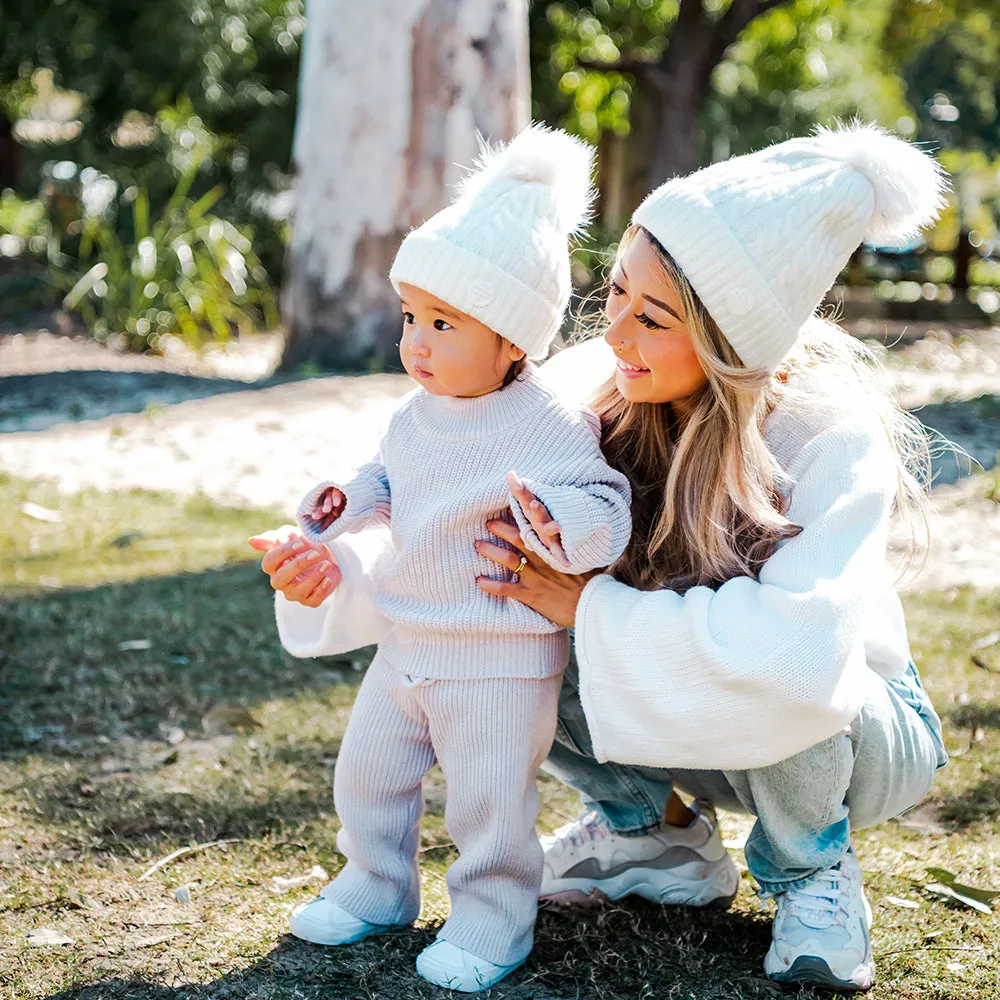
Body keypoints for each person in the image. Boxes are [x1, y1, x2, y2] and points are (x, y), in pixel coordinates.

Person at [255, 122, 950, 994]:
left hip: (852, 737)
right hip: (691, 719)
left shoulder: (827, 439)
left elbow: (800, 657)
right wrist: (340, 568)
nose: (614, 328)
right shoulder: (594, 388)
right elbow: (443, 523)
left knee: (766, 658)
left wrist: (588, 607)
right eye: (615, 292)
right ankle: (651, 832)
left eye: (652, 317)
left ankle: (814, 872)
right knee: (513, 636)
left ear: (730, 340)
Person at [253, 124, 632, 994]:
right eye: (411, 319)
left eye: (443, 324)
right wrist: (341, 506)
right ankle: (376, 883)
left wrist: (556, 520)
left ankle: (495, 919)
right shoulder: (416, 411)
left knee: (489, 804)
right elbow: (387, 477)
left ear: (511, 341)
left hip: (498, 656)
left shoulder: (547, 423)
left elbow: (608, 515)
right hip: (407, 639)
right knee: (370, 773)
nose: (415, 343)